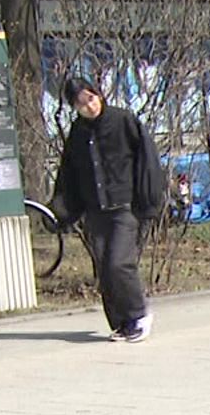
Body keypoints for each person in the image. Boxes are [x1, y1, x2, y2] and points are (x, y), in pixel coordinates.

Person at [51, 75, 165, 343]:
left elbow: (147, 160)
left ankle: (138, 315)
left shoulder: (122, 120)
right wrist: (63, 210)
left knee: (119, 263)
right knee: (104, 269)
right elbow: (70, 174)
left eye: (90, 99)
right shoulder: (78, 133)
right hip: (96, 209)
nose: (89, 107)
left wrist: (149, 199)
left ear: (98, 94)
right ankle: (122, 322)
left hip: (124, 206)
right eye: (81, 104)